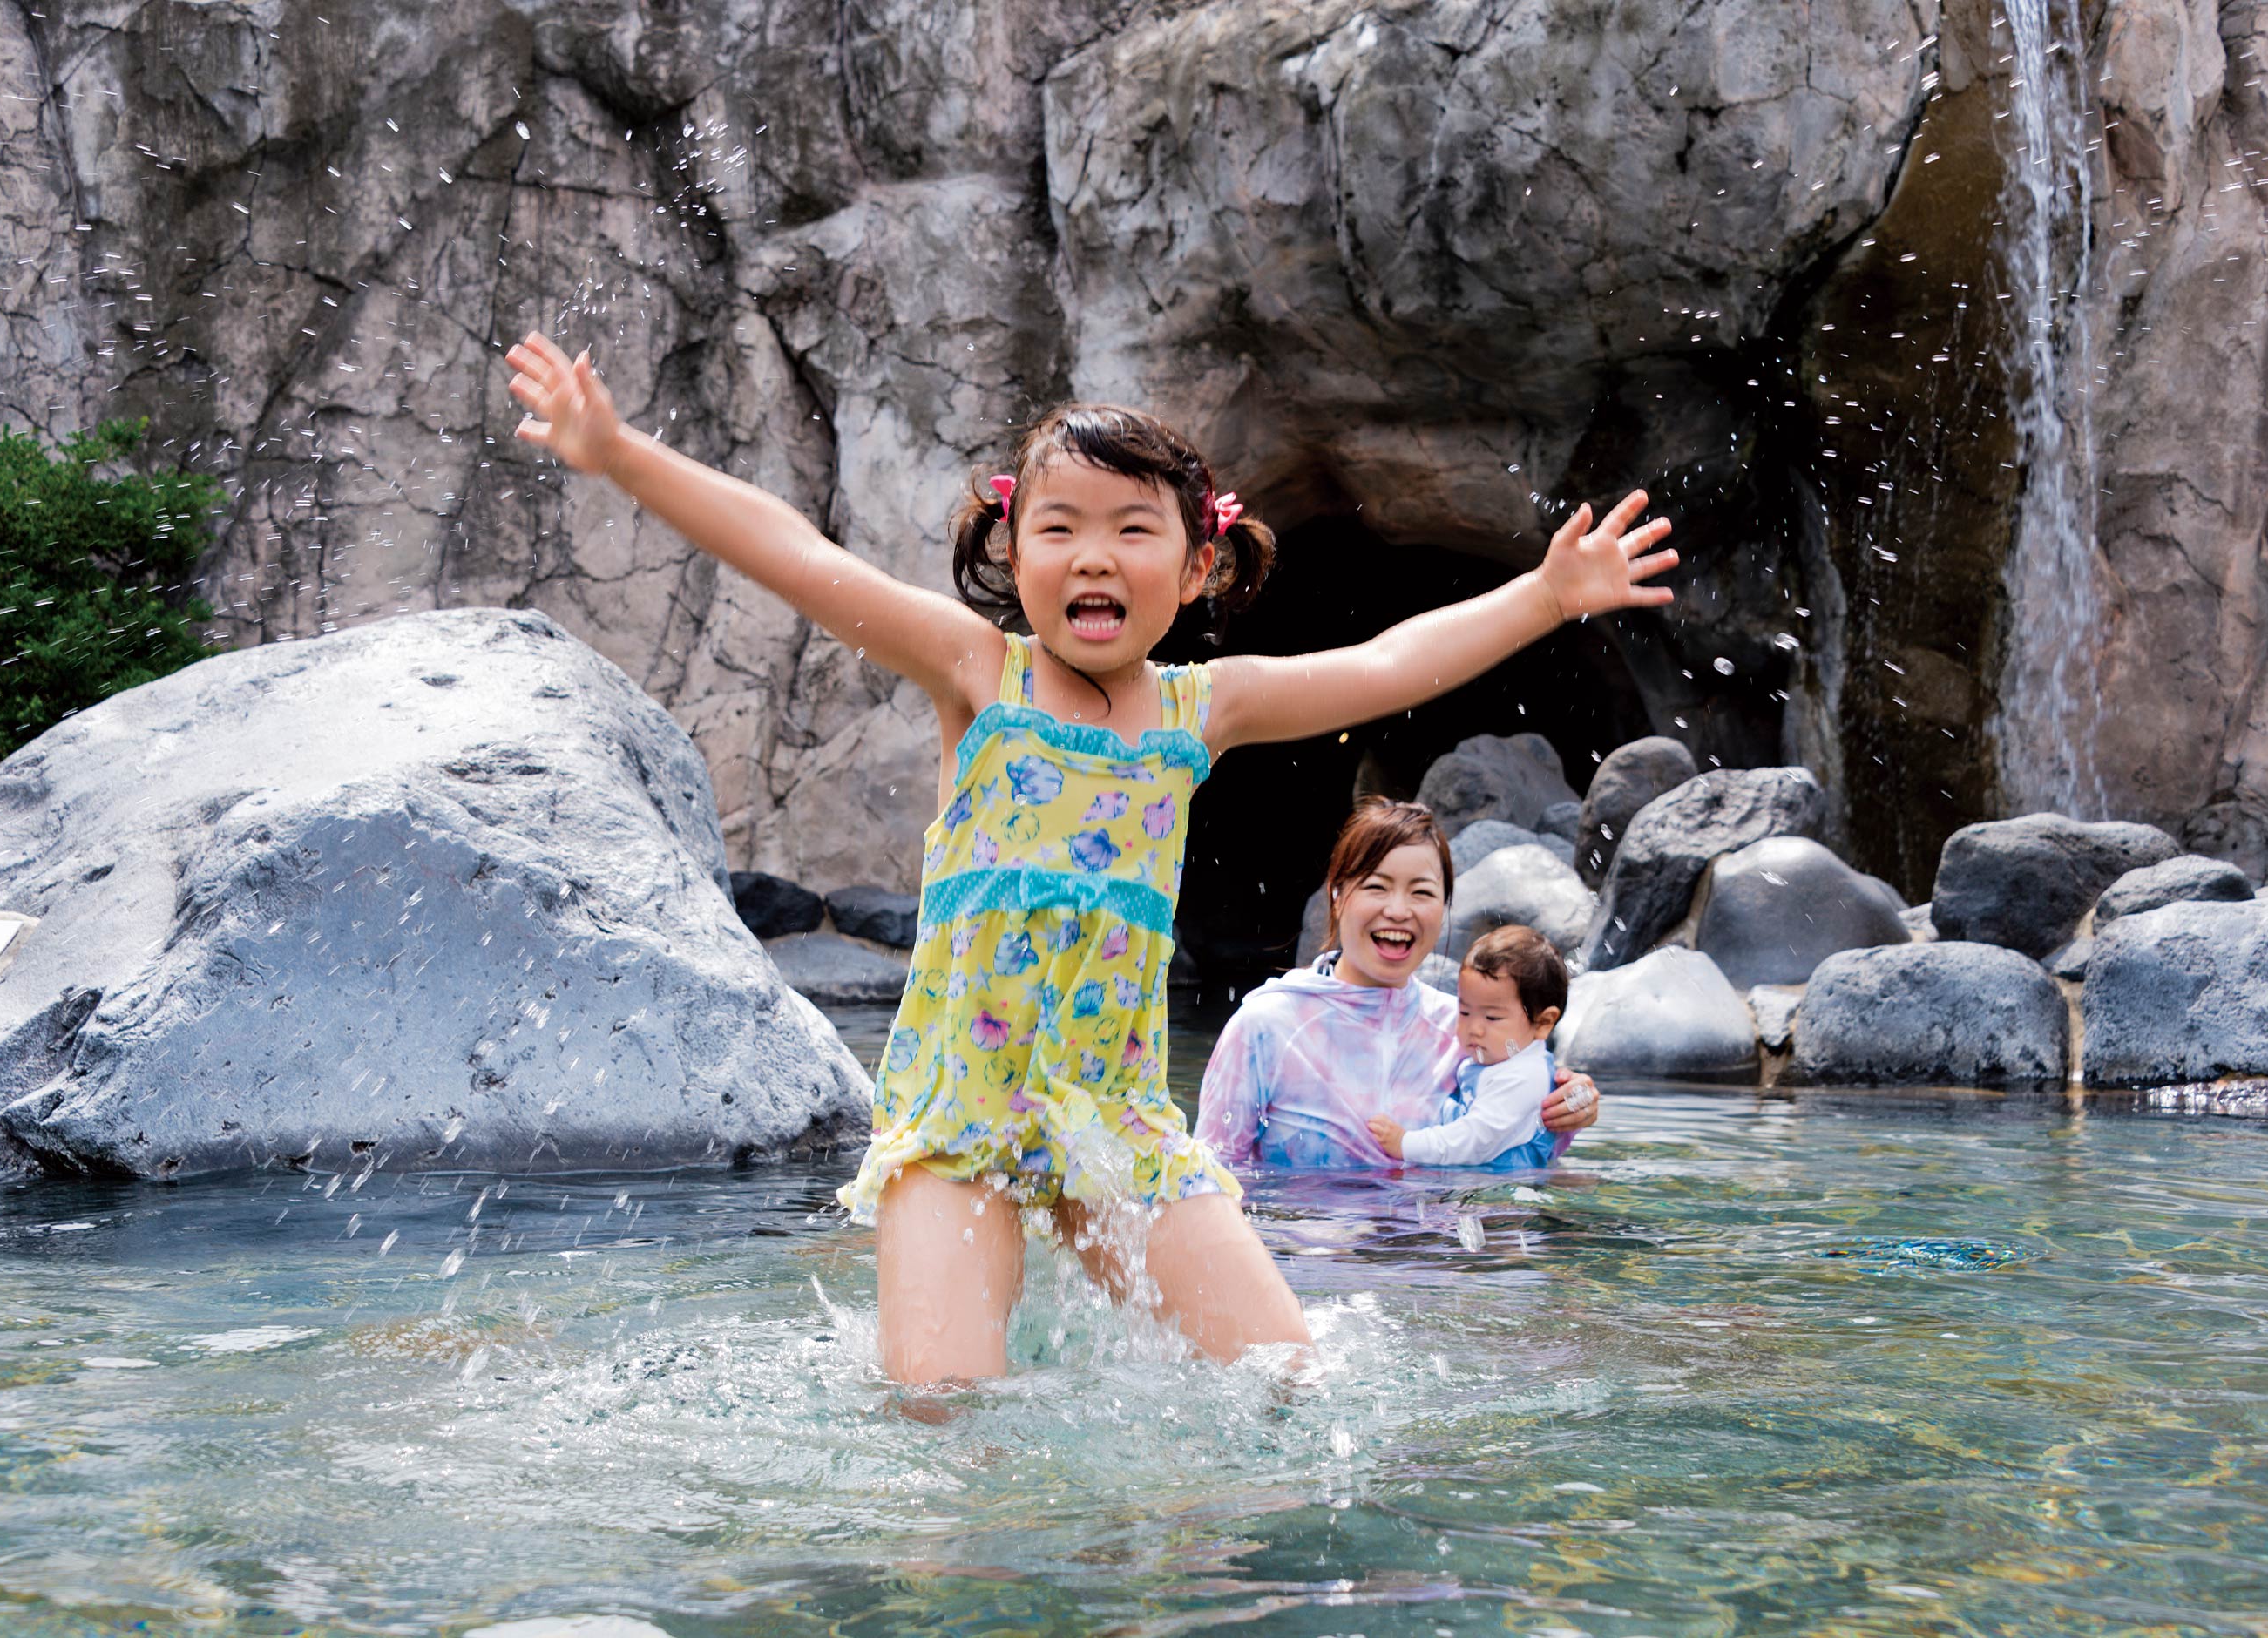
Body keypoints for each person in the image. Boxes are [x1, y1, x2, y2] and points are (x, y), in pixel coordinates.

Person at [504, 333, 1674, 1383]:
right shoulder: (979, 673)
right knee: (946, 1413)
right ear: (1015, 553)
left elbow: (1386, 665)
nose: (1093, 556)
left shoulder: (1199, 711)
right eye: (1059, 528)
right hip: (959, 1116)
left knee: (1287, 1384)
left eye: (1130, 530)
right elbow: (800, 557)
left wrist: (1543, 593)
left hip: (1108, 1119)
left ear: (1198, 568)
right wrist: (620, 454)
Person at [1196, 800, 1599, 1168]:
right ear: (1336, 896)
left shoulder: (1469, 1026)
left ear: (1444, 908)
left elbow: (1517, 1134)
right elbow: (1209, 1178)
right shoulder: (1267, 1026)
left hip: (1438, 1244)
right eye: (1376, 887)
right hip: (1306, 1241)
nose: (1398, 911)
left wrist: (1571, 1103)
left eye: (1421, 892)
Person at [1369, 924, 1567, 1169]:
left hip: (1502, 1196)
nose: (1474, 1028)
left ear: (1543, 1022)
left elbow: (1475, 1139)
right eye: (1464, 1012)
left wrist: (1405, 1144)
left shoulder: (1524, 1077)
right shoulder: (1498, 1059)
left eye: (1492, 1018)